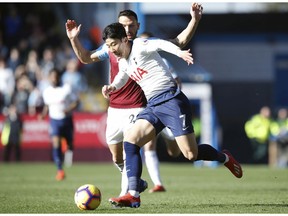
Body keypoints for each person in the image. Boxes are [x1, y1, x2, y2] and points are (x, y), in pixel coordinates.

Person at [66, 2, 203, 195]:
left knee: (135, 146)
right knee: (117, 157)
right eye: (123, 26)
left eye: (131, 25)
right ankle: (136, 181)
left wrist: (194, 21)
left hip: (142, 106)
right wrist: (74, 39)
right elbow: (86, 58)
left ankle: (129, 194)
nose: (127, 29)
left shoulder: (143, 45)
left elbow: (176, 42)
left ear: (138, 26)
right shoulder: (111, 48)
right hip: (115, 108)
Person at [101, 22, 243, 208]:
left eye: (114, 44)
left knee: (190, 154)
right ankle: (133, 194)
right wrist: (112, 86)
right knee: (130, 139)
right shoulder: (122, 60)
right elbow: (123, 76)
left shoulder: (140, 45)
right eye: (108, 46)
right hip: (153, 105)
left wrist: (179, 52)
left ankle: (224, 157)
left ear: (124, 39)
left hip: (171, 101)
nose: (112, 49)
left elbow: (161, 44)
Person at [40, 68, 79, 181]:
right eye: (52, 76)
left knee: (70, 145)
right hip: (54, 120)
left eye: (56, 76)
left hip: (66, 120)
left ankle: (67, 145)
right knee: (55, 142)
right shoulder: (46, 92)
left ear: (59, 77)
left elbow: (76, 101)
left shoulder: (66, 89)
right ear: (49, 78)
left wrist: (68, 109)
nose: (54, 78)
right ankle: (60, 170)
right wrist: (43, 114)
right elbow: (47, 105)